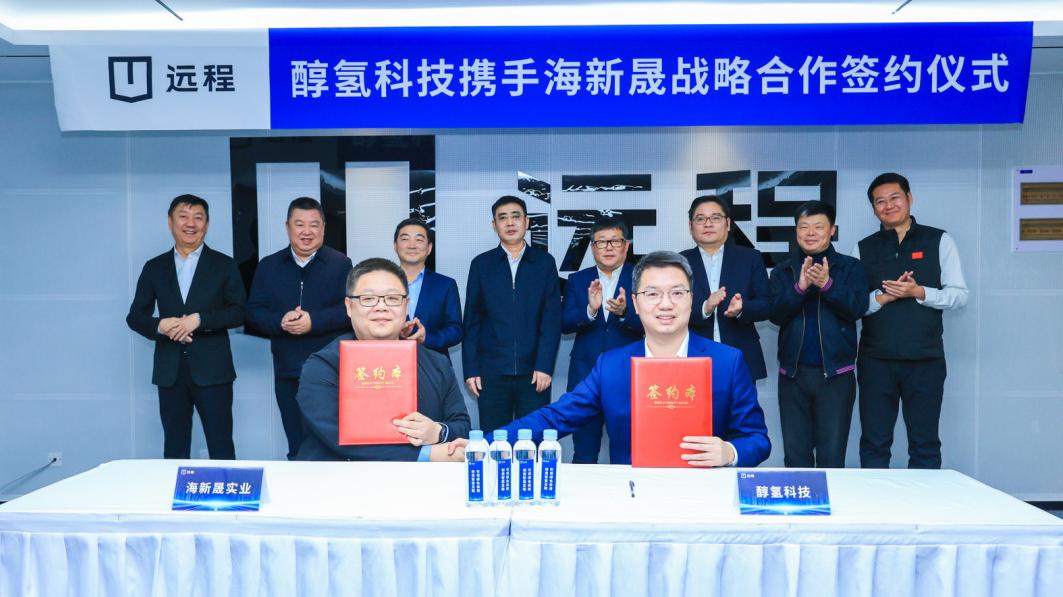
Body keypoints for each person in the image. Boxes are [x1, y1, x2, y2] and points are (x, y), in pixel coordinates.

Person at [449, 251, 771, 467]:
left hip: (704, 497)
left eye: (677, 292)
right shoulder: (612, 365)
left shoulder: (727, 362)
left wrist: (729, 451)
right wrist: (485, 444)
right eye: (652, 294)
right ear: (636, 303)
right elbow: (555, 417)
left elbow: (757, 439)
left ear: (691, 299)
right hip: (632, 496)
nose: (665, 304)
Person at [295, 258, 471, 461]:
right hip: (340, 478)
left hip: (417, 481)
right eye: (368, 299)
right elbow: (338, 438)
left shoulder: (436, 363)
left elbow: (462, 425)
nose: (381, 307)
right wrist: (427, 454)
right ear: (349, 307)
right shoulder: (323, 366)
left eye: (393, 298)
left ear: (406, 306)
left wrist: (438, 432)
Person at [853, 172, 969, 469]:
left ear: (909, 198)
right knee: (874, 443)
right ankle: (876, 500)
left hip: (925, 360)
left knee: (925, 444)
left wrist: (919, 292)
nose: (888, 205)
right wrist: (883, 297)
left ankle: (925, 500)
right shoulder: (863, 248)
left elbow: (959, 295)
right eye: (880, 201)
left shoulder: (939, 240)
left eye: (895, 198)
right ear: (873, 209)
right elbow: (854, 305)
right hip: (876, 361)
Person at [126, 194, 246, 459]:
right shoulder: (154, 267)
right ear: (170, 222)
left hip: (214, 371)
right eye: (183, 216)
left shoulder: (224, 265)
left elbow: (239, 312)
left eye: (198, 218)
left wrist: (200, 320)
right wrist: (161, 325)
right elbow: (135, 317)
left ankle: (225, 488)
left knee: (221, 445)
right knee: (174, 446)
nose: (191, 224)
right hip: (170, 371)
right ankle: (176, 489)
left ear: (207, 224)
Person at [246, 197, 353, 460]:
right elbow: (253, 312)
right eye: (299, 224)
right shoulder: (269, 265)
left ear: (323, 228)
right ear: (287, 227)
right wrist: (280, 322)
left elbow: (349, 311)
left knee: (331, 442)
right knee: (297, 442)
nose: (307, 231)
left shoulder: (341, 264)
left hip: (330, 369)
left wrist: (313, 322)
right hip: (287, 368)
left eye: (314, 225)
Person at [769, 201, 868, 468]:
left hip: (836, 374)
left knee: (832, 456)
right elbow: (775, 314)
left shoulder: (851, 268)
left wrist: (827, 284)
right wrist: (799, 288)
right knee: (795, 455)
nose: (810, 233)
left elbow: (858, 308)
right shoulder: (783, 271)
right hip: (792, 375)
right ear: (796, 231)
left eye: (818, 227)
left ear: (832, 230)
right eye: (804, 227)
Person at [462, 196, 562, 433]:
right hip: (491, 373)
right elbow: (472, 321)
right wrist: (471, 369)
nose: (510, 223)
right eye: (502, 218)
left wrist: (545, 366)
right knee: (495, 441)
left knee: (534, 439)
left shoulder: (544, 263)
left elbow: (551, 319)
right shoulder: (481, 264)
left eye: (516, 216)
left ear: (526, 222)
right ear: (494, 224)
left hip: (534, 373)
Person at [561, 216, 643, 463]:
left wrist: (625, 313)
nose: (608, 247)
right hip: (585, 374)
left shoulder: (641, 278)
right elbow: (564, 324)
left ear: (626, 245)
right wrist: (590, 310)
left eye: (615, 241)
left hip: (629, 373)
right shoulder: (578, 280)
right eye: (601, 242)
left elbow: (655, 323)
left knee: (628, 453)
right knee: (584, 452)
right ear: (592, 247)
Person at [680, 195, 771, 381]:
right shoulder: (679, 262)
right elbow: (672, 309)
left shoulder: (750, 258)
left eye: (715, 218)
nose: (708, 224)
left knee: (740, 401)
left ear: (728, 224)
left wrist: (742, 308)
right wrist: (705, 308)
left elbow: (767, 304)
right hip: (692, 356)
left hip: (740, 356)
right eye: (700, 219)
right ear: (690, 226)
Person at [392, 218, 463, 357]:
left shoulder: (445, 285)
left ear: (429, 248)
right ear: (395, 246)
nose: (412, 245)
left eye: (419, 240)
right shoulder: (381, 283)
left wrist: (427, 337)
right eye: (405, 239)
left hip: (433, 364)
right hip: (391, 362)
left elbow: (456, 331)